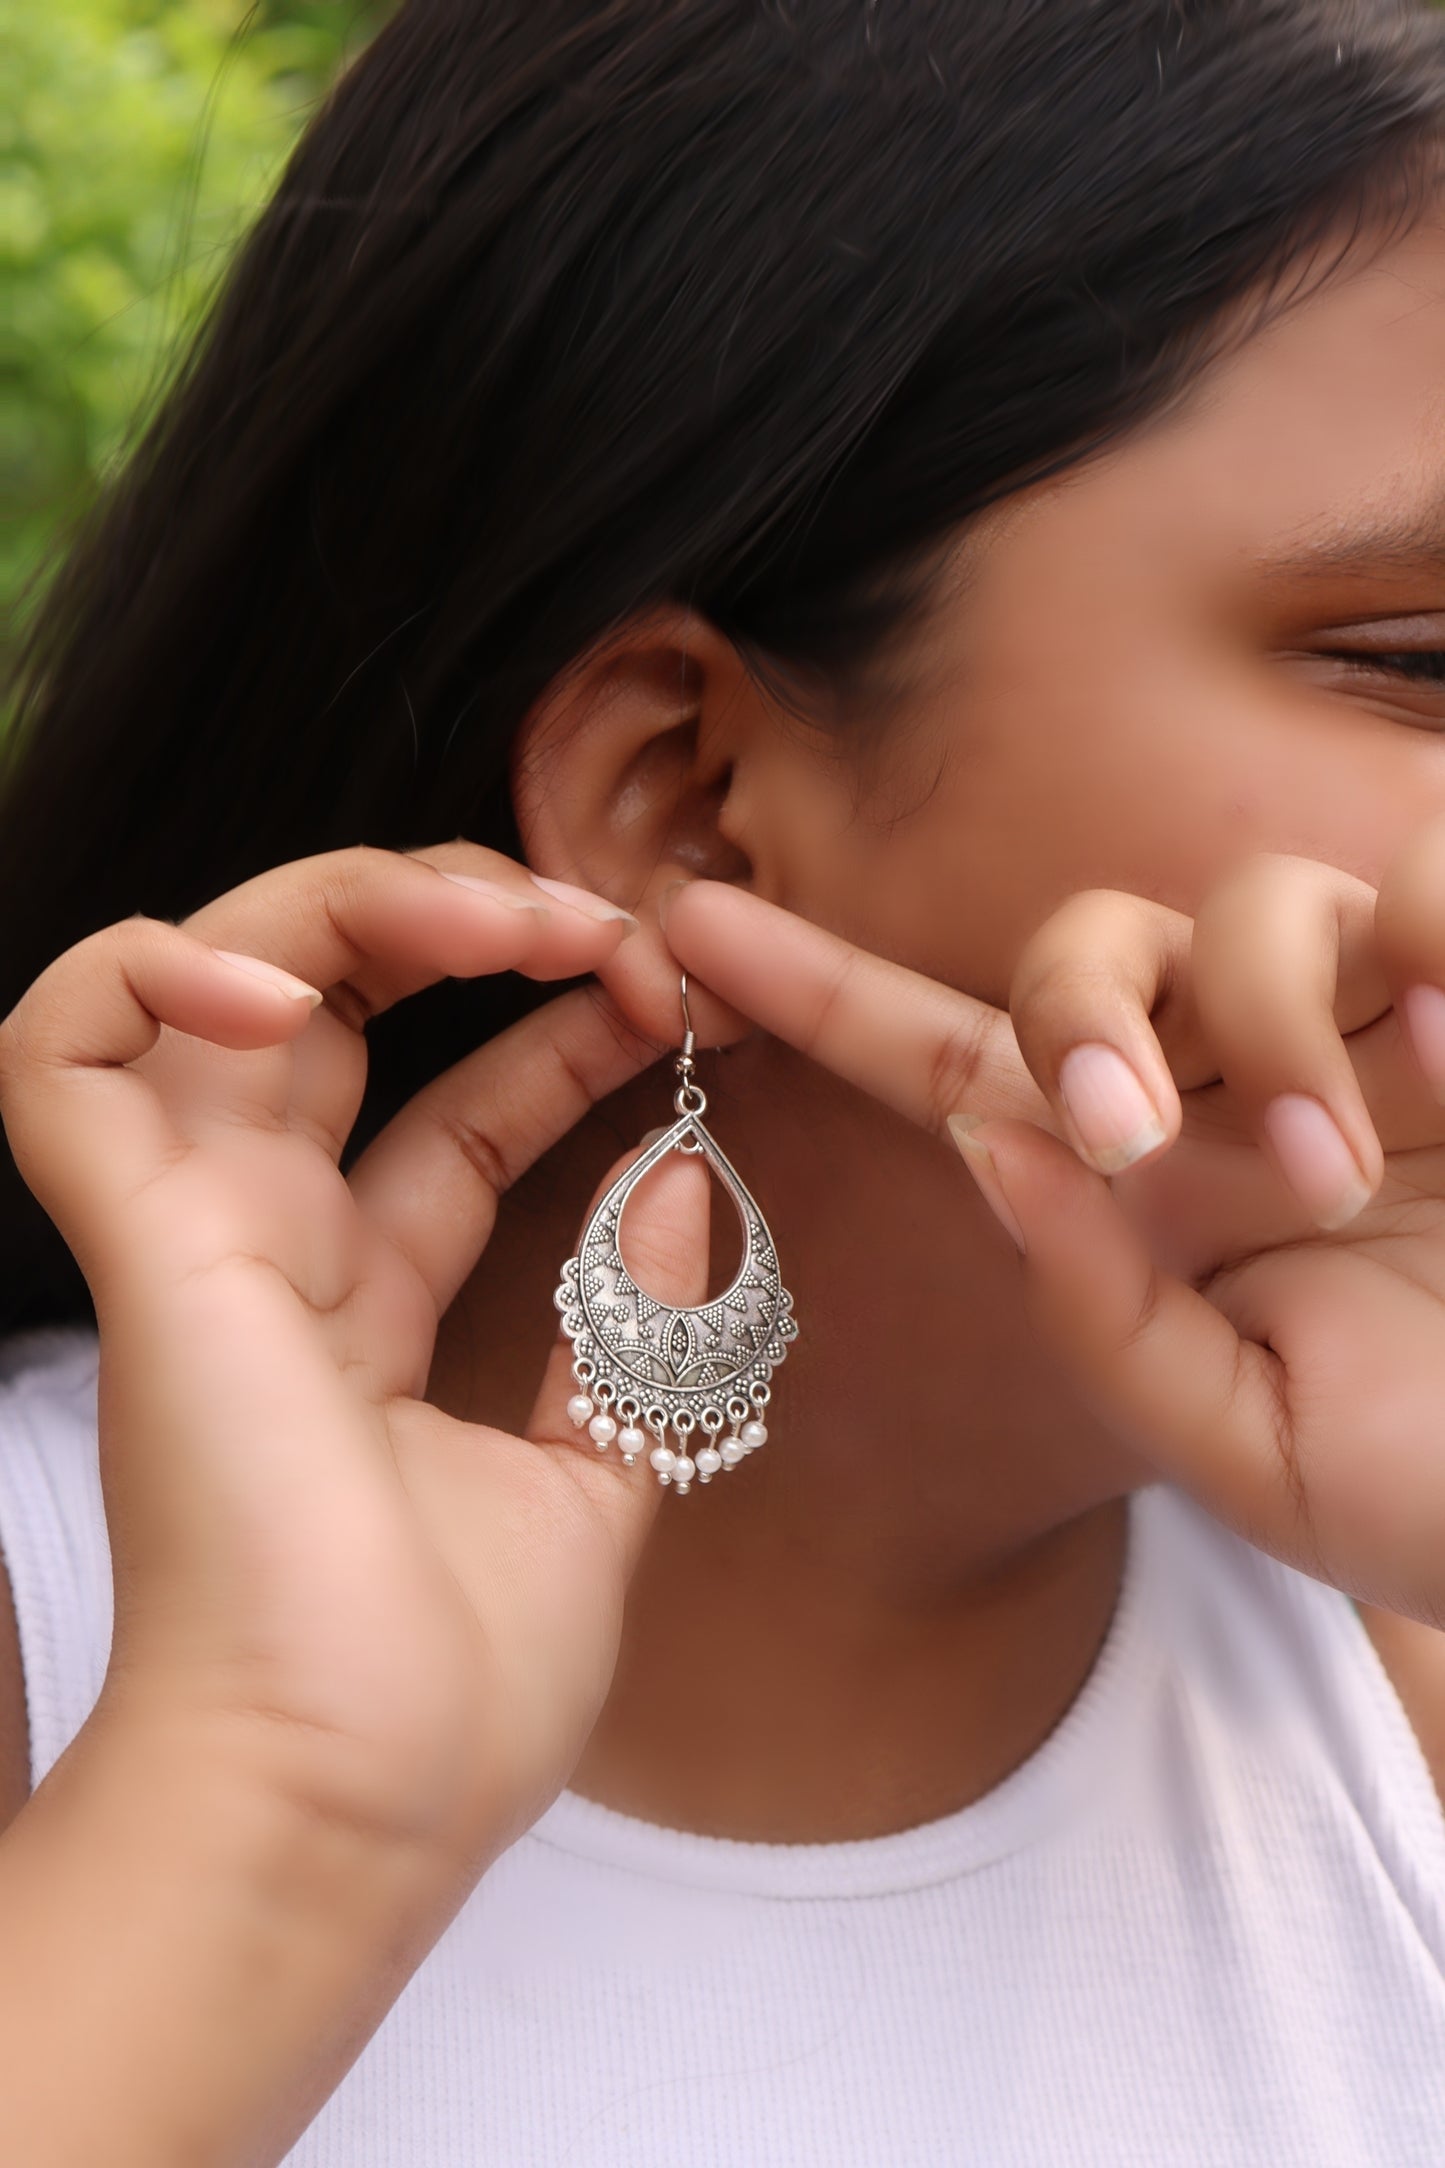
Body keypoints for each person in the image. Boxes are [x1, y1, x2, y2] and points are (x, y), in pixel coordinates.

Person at [0, 0, 1442, 2160]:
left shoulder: (1396, 1643)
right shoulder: (55, 1639)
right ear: (687, 792)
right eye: (1423, 664)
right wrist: (275, 1802)